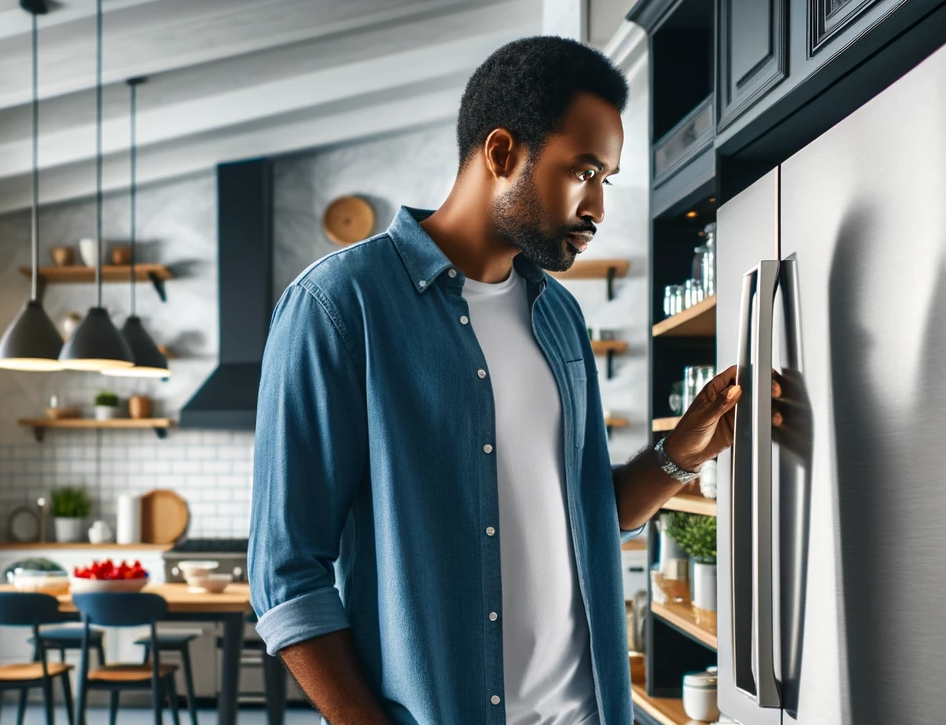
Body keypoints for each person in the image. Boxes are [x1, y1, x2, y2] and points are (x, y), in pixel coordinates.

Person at [248, 36, 740, 725]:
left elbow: (584, 514)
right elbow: (286, 573)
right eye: (583, 171)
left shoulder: (560, 316)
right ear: (501, 152)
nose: (598, 205)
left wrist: (681, 452)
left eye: (607, 179)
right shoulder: (339, 305)